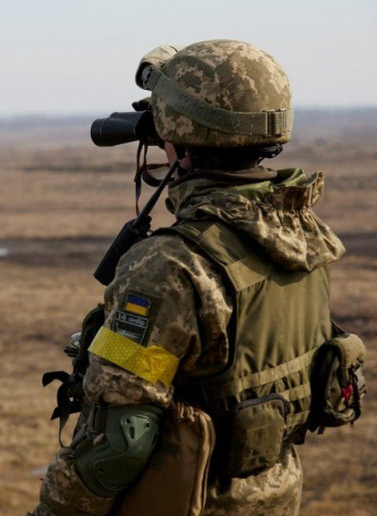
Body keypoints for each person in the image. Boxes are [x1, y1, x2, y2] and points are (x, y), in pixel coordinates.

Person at [31, 40, 356, 516]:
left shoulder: (171, 266)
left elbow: (121, 441)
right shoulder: (301, 235)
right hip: (273, 499)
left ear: (178, 143)